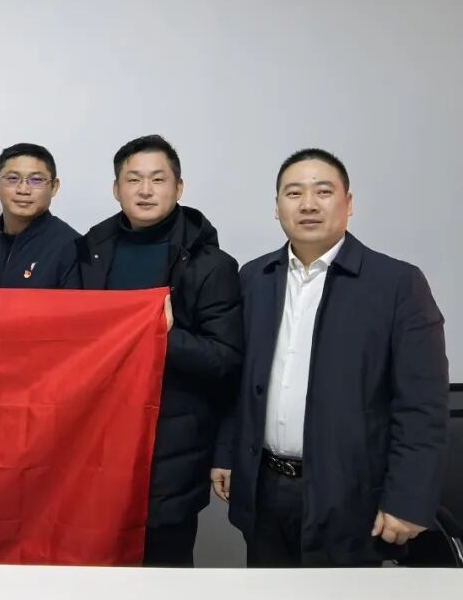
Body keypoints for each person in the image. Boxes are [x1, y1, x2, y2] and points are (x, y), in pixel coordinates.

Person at [213, 148, 448, 566]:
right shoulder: (254, 278)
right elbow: (238, 379)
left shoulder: (397, 284)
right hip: (266, 490)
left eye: (323, 191)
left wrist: (409, 498)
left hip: (353, 497)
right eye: (293, 193)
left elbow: (422, 405)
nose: (308, 204)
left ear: (348, 203)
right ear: (277, 206)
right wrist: (227, 453)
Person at [73, 134, 242, 566]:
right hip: (97, 441)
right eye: (133, 180)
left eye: (158, 179)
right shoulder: (90, 252)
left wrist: (165, 334)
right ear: (117, 189)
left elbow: (225, 359)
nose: (145, 190)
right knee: (94, 571)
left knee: (163, 573)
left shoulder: (211, 265)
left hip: (171, 450)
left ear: (178, 188)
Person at [0, 142, 79, 288]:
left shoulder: (73, 247)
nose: (23, 190)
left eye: (36, 180)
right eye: (13, 179)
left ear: (54, 187)